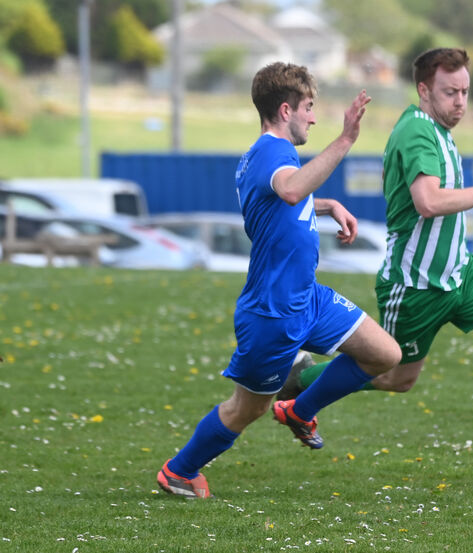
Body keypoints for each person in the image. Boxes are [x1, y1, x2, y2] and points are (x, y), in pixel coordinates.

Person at [279, 48, 473, 475]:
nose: (460, 101)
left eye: (465, 91)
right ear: (424, 90)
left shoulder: (440, 131)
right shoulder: (416, 132)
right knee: (394, 376)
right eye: (450, 92)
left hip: (460, 274)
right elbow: (427, 202)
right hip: (416, 283)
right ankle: (302, 384)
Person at [157, 62, 402, 499]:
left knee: (384, 353)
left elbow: (285, 200)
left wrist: (328, 206)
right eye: (309, 107)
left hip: (307, 298)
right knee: (245, 410)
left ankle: (300, 409)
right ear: (285, 109)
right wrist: (345, 140)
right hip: (272, 312)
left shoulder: (265, 155)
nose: (313, 116)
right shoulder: (273, 152)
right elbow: (289, 191)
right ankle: (179, 470)